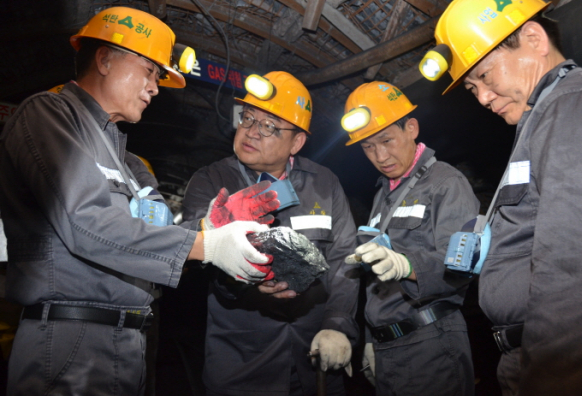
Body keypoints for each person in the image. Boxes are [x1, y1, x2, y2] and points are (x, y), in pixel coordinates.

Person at [0, 7, 278, 395]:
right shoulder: (49, 115)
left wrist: (212, 229)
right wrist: (206, 245)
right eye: (149, 70)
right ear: (104, 59)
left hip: (129, 339)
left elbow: (151, 237)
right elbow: (85, 223)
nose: (155, 87)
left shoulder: (128, 161)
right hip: (69, 340)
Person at [419, 0, 582, 394]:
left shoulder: (572, 103)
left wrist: (555, 377)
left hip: (554, 363)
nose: (482, 98)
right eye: (471, 88)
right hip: (526, 357)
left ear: (533, 39)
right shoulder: (539, 119)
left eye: (485, 76)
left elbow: (576, 265)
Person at [181, 71, 359, 395]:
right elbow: (190, 252)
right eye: (248, 118)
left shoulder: (324, 183)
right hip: (242, 366)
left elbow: (345, 260)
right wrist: (225, 249)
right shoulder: (210, 181)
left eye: (269, 126)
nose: (251, 132)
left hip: (315, 359)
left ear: (297, 142)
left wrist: (338, 325)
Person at [341, 82, 480, 395]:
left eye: (386, 140)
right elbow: (375, 284)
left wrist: (405, 265)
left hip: (432, 343)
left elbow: (463, 266)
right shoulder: (382, 194)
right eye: (367, 147)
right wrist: (371, 340)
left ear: (411, 128)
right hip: (387, 348)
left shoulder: (446, 183)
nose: (380, 155)